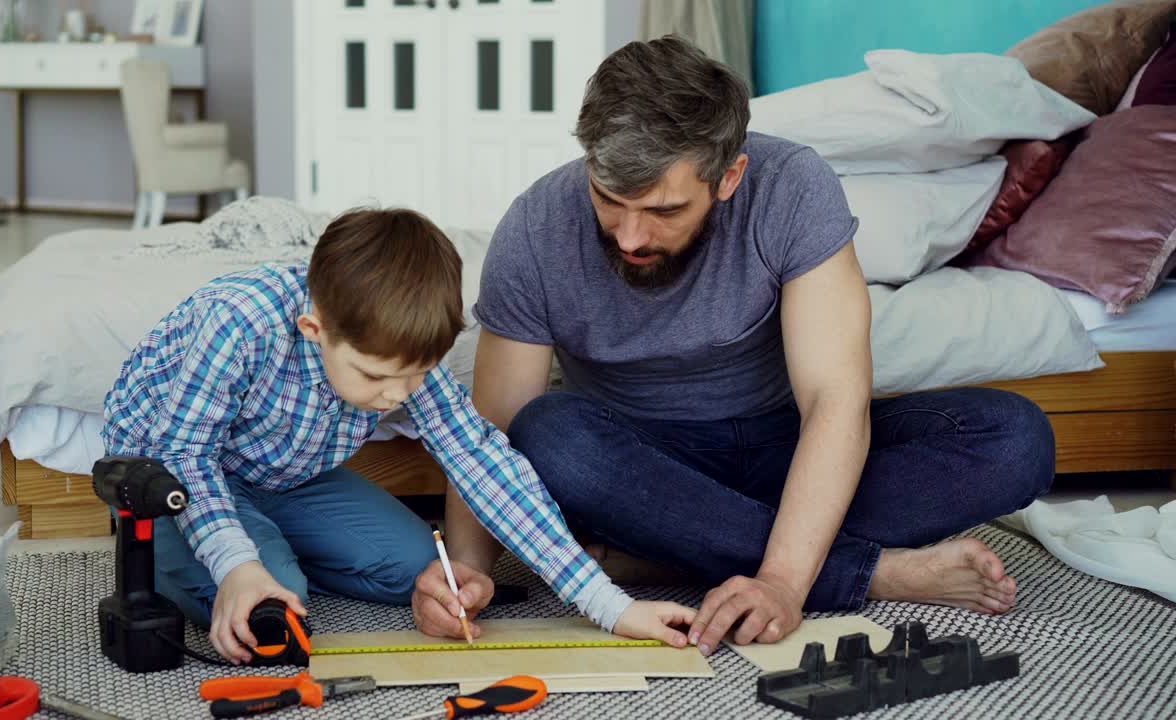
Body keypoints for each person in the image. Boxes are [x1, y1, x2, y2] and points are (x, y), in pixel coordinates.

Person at [412, 36, 1055, 656]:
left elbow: (835, 399)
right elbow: (490, 434)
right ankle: (870, 572)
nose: (631, 236)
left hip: (787, 447)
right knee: (548, 434)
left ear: (729, 176)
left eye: (663, 210)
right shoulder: (536, 227)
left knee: (1015, 437)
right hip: (644, 469)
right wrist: (467, 571)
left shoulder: (792, 187)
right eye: (609, 199)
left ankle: (672, 555)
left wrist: (782, 584)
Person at [102, 207, 693, 664]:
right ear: (315, 328)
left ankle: (270, 544)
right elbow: (183, 453)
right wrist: (236, 565)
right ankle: (191, 552)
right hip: (172, 478)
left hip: (282, 476)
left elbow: (481, 459)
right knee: (273, 604)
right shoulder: (238, 321)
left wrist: (611, 607)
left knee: (423, 568)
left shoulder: (403, 360)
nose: (397, 397)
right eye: (376, 377)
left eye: (413, 378)